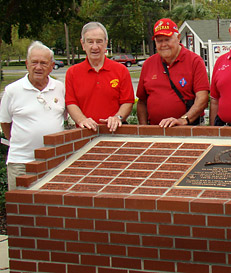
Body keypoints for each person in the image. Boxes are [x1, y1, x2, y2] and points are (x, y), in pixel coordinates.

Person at [0, 41, 66, 190]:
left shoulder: (60, 88)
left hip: (54, 162)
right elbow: (5, 122)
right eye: (34, 62)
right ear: (27, 64)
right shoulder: (12, 90)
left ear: (51, 66)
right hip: (21, 163)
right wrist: (18, 141)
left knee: (50, 208)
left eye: (43, 63)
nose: (38, 67)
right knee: (21, 208)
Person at [137, 18, 209, 127]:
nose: (163, 44)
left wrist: (183, 120)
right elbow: (142, 101)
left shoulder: (194, 61)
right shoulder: (148, 64)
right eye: (159, 41)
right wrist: (143, 128)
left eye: (167, 39)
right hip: (155, 130)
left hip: (187, 128)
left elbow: (202, 98)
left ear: (178, 38)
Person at [65, 22, 134, 132]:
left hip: (115, 132)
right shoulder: (72, 73)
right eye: (90, 42)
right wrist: (82, 120)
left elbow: (127, 102)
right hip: (84, 133)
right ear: (83, 44)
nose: (95, 47)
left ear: (106, 43)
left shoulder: (121, 70)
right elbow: (71, 103)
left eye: (99, 41)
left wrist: (118, 117)